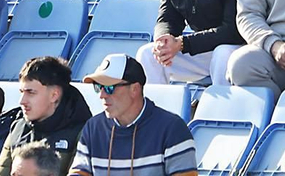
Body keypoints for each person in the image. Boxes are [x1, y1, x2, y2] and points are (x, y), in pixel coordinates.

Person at [68, 54, 197, 176]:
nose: (102, 95)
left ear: (135, 89)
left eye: (109, 88)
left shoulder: (172, 129)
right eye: (98, 87)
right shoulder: (93, 127)